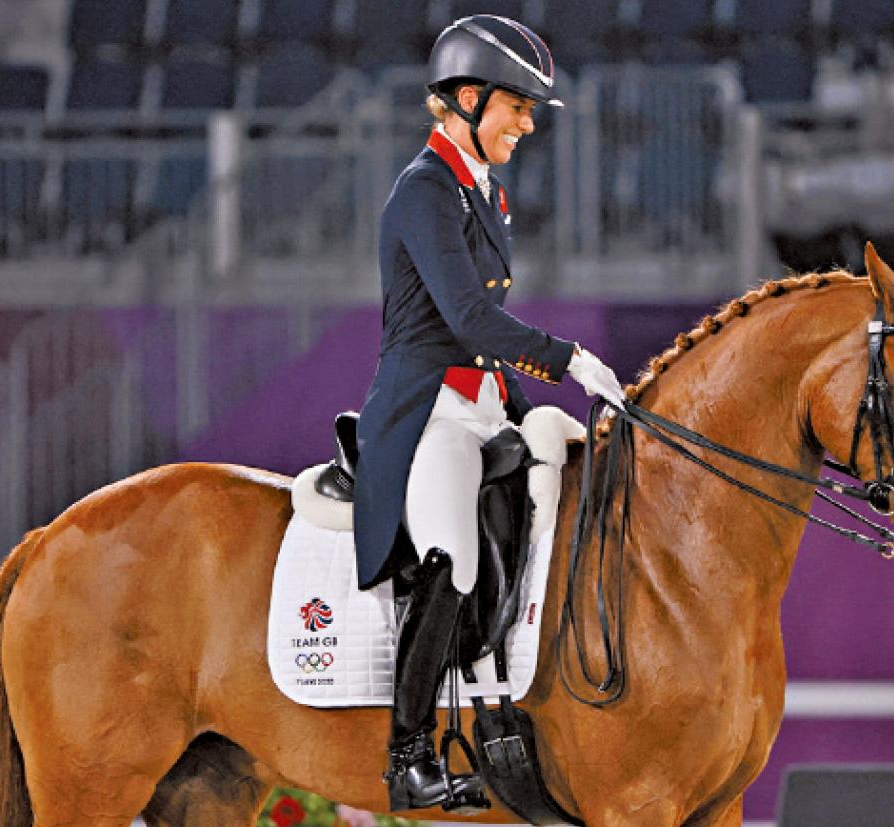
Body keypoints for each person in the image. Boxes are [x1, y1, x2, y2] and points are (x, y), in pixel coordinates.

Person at [351, 15, 626, 812]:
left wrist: (523, 400)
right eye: (517, 108)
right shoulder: (424, 192)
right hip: (429, 411)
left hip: (481, 402)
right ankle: (408, 755)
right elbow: (470, 319)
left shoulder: (484, 193)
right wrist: (570, 361)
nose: (527, 125)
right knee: (453, 559)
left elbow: (484, 340)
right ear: (468, 99)